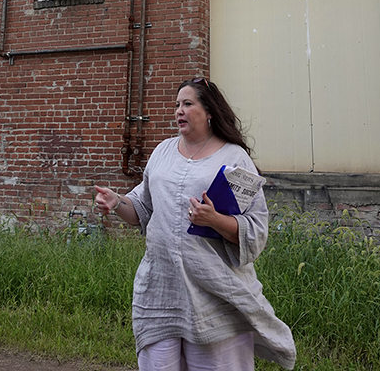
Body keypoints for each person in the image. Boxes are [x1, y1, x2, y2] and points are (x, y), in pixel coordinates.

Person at [94, 77, 296, 371]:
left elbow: (255, 228)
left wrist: (214, 220)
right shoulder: (162, 152)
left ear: (209, 111)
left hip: (214, 296)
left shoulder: (234, 158)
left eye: (188, 104)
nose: (179, 110)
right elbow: (141, 208)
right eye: (177, 105)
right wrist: (116, 202)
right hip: (160, 291)